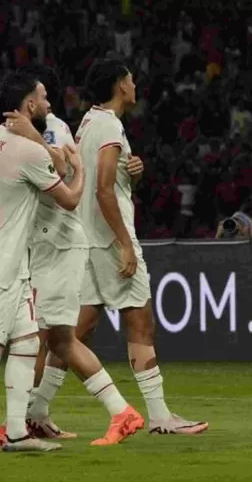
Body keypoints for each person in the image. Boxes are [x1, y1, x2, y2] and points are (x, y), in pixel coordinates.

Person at [51, 59, 207, 438]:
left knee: (75, 332)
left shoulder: (89, 122)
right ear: (121, 85)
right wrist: (125, 244)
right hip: (108, 239)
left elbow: (95, 180)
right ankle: (159, 416)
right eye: (131, 79)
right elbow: (104, 190)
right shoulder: (109, 125)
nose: (135, 84)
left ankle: (36, 412)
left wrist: (129, 173)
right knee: (141, 321)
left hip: (87, 237)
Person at [15, 65, 144, 445]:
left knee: (46, 339)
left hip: (56, 247)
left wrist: (31, 139)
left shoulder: (50, 127)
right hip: (42, 247)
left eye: (44, 95)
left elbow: (63, 170)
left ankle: (122, 413)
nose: (49, 102)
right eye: (43, 96)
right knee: (56, 339)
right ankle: (30, 417)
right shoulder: (24, 131)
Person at [0, 71, 85, 451]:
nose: (49, 104)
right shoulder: (29, 151)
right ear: (29, 106)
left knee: (26, 343)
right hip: (4, 266)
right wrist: (80, 170)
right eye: (44, 98)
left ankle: (16, 432)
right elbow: (68, 197)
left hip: (18, 267)